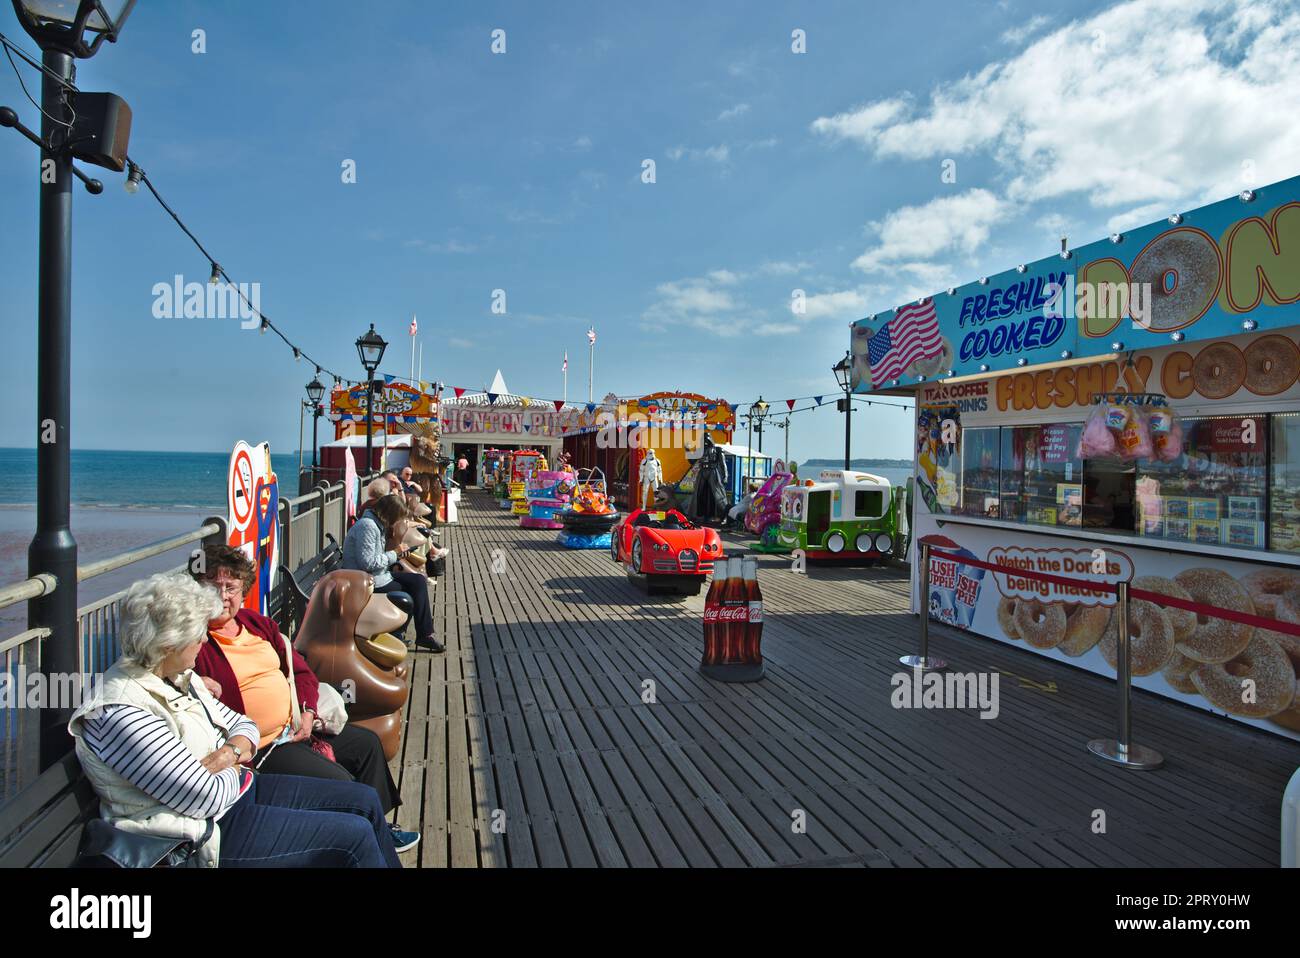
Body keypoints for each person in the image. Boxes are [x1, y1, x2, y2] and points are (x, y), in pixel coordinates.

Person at [68, 573, 402, 868]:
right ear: (169, 643)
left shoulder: (176, 675)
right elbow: (204, 797)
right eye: (198, 633)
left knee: (364, 801)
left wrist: (227, 755)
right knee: (353, 836)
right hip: (201, 833)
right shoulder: (121, 711)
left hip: (239, 793)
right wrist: (237, 761)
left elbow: (244, 725)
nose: (203, 640)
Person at [189, 545, 416, 852]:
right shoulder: (193, 640)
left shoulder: (258, 625)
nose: (222, 597)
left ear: (244, 591)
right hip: (261, 746)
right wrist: (193, 681)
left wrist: (308, 711)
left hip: (296, 723)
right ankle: (354, 841)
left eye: (230, 588)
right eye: (212, 588)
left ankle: (379, 828)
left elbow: (303, 673)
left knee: (367, 745)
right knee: (339, 782)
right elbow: (168, 679)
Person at [343, 492, 443, 653]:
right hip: (364, 581)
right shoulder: (368, 526)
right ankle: (398, 634)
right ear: (389, 514)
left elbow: (374, 559)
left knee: (417, 581)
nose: (397, 522)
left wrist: (396, 553)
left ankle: (423, 634)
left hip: (378, 576)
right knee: (409, 594)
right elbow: (367, 563)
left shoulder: (376, 524)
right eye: (397, 518)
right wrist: (395, 553)